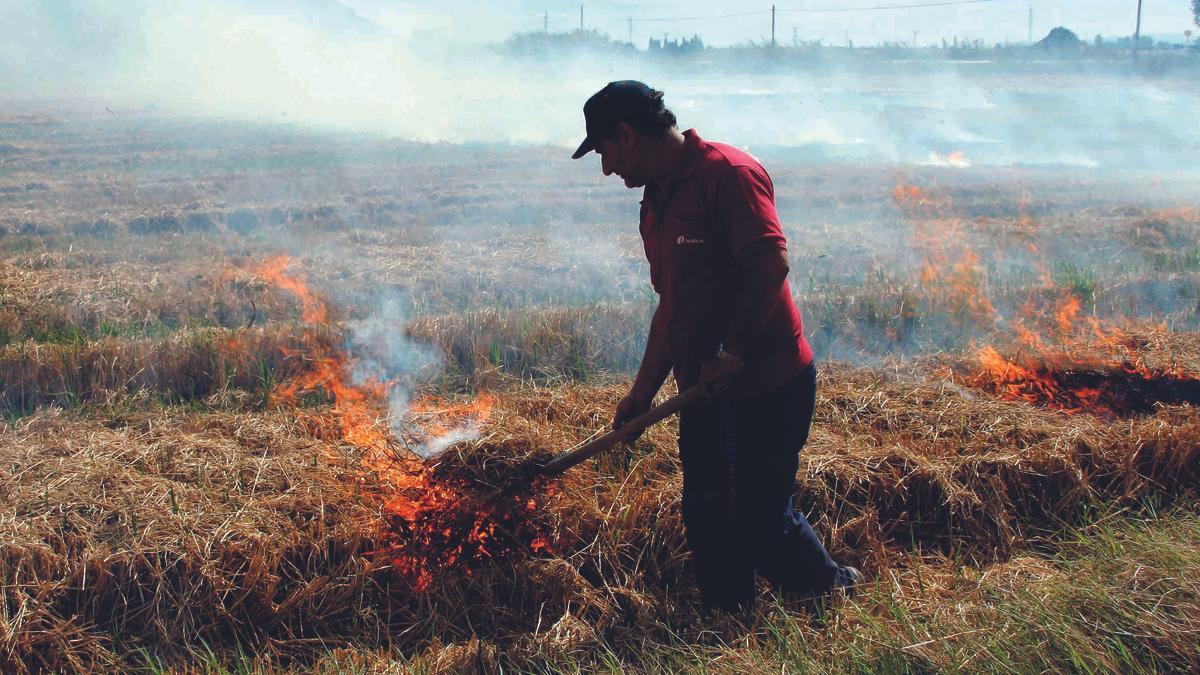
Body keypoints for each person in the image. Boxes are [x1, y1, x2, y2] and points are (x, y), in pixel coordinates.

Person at [570, 80, 860, 613]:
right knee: (705, 512)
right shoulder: (655, 203)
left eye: (605, 152)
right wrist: (641, 393)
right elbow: (673, 306)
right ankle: (729, 624)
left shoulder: (728, 174)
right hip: (703, 390)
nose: (607, 169)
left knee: (760, 517)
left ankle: (832, 589)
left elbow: (770, 265)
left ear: (628, 135)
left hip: (769, 383)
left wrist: (731, 350)